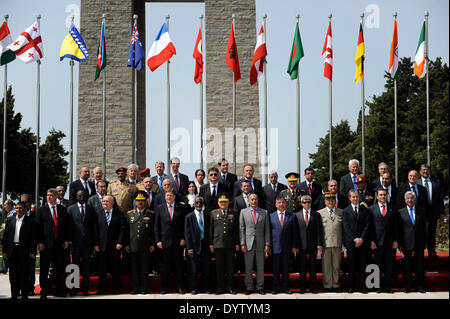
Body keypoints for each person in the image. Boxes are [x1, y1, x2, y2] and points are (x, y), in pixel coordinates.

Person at [35, 188, 71, 298]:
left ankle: (57, 291)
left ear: (56, 196)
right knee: (44, 269)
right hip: (45, 244)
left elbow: (65, 227)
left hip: (58, 244)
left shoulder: (62, 209)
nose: (49, 197)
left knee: (58, 268)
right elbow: (38, 227)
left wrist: (66, 240)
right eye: (47, 195)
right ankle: (44, 291)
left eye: (51, 195)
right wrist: (39, 242)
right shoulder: (41, 210)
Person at [1, 201, 36, 299]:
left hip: (24, 252)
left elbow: (33, 238)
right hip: (12, 251)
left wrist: (33, 251)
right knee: (13, 276)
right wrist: (4, 251)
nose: (18, 210)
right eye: (16, 208)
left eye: (20, 208)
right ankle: (14, 295)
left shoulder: (31, 221)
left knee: (24, 275)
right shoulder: (10, 220)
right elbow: (5, 237)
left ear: (25, 209)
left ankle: (24, 296)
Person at [154, 189, 186, 294]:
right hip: (164, 242)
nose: (169, 197)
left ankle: (181, 287)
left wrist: (183, 238)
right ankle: (165, 288)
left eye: (171, 195)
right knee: (165, 267)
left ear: (174, 197)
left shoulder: (181, 207)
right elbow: (156, 226)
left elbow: (184, 225)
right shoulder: (160, 208)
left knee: (179, 266)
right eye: (167, 195)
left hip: (178, 242)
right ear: (164, 197)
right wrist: (158, 240)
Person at [67, 190, 98, 296]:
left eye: (84, 195)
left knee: (86, 268)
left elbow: (93, 227)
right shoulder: (71, 209)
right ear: (76, 197)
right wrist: (70, 242)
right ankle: (74, 290)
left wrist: (94, 243)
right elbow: (69, 227)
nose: (82, 197)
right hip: (75, 244)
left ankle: (85, 290)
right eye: (79, 195)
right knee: (74, 268)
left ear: (86, 197)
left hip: (87, 244)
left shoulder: (90, 209)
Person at [239, 194, 271, 295]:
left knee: (260, 266)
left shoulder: (264, 212)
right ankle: (249, 287)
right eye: (252, 199)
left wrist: (267, 243)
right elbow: (242, 228)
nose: (254, 201)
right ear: (248, 201)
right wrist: (242, 243)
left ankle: (260, 287)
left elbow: (267, 229)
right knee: (248, 266)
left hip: (261, 243)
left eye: (256, 199)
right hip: (248, 243)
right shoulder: (243, 212)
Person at [368, 188, 398, 293]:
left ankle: (388, 286)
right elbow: (370, 227)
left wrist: (396, 240)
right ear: (377, 196)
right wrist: (371, 241)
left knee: (389, 266)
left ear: (387, 196)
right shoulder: (371, 209)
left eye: (384, 195)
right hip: (377, 242)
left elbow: (396, 226)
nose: (382, 197)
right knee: (377, 265)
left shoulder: (393, 209)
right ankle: (378, 287)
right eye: (380, 195)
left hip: (390, 243)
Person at [125, 192, 155, 295]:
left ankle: (144, 288)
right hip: (133, 246)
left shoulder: (150, 214)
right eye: (138, 201)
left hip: (145, 245)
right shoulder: (130, 214)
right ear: (135, 202)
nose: (140, 202)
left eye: (142, 201)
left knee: (144, 268)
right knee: (134, 269)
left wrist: (152, 244)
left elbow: (153, 231)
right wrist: (127, 244)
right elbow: (126, 230)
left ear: (145, 201)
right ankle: (135, 288)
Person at [209, 194, 239, 295]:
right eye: (221, 202)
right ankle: (220, 288)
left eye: (225, 202)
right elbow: (211, 230)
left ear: (228, 203)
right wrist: (211, 244)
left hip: (230, 245)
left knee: (230, 268)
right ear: (218, 203)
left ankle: (230, 287)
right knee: (220, 268)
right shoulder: (213, 214)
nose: (223, 204)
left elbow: (237, 230)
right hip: (218, 245)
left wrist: (237, 243)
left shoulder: (234, 213)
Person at [96, 195, 126, 295]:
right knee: (102, 270)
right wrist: (96, 244)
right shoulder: (98, 214)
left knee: (115, 269)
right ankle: (101, 289)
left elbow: (122, 229)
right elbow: (95, 230)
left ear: (112, 203)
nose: (104, 203)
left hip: (115, 246)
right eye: (103, 201)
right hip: (102, 246)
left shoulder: (119, 214)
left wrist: (120, 242)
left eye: (107, 201)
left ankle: (116, 289)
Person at [397, 191, 427, 293]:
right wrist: (400, 244)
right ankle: (408, 287)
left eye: (412, 198)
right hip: (406, 243)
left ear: (415, 199)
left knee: (419, 266)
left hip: (419, 243)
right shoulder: (400, 212)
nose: (410, 200)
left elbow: (424, 228)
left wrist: (425, 243)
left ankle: (419, 286)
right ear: (405, 200)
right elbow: (399, 230)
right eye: (408, 198)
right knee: (407, 266)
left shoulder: (421, 211)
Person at [293, 195, 323, 294]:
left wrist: (319, 243)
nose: (307, 204)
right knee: (302, 267)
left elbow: (319, 230)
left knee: (313, 267)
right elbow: (295, 232)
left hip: (313, 244)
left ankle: (312, 287)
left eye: (309, 202)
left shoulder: (316, 215)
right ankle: (302, 287)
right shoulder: (296, 215)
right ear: (301, 203)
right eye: (305, 202)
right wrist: (295, 245)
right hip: (301, 245)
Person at [343, 189, 370, 293]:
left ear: (359, 197)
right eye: (353, 197)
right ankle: (351, 287)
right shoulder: (346, 211)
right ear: (350, 198)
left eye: (356, 197)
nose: (355, 198)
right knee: (351, 266)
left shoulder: (365, 210)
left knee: (363, 266)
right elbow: (346, 227)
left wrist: (361, 238)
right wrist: (355, 239)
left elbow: (367, 225)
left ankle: (363, 287)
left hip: (363, 243)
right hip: (351, 243)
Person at [317, 192, 344, 292]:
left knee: (337, 265)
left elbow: (343, 228)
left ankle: (336, 285)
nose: (330, 202)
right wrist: (319, 243)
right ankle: (328, 285)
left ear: (335, 201)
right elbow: (319, 230)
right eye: (328, 200)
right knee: (326, 266)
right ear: (325, 201)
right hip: (326, 243)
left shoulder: (341, 212)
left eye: (332, 200)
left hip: (337, 242)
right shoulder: (320, 213)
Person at [184, 196, 211, 294]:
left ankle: (206, 288)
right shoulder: (189, 216)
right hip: (194, 247)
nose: (199, 204)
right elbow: (187, 234)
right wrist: (189, 248)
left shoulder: (207, 215)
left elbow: (210, 231)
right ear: (194, 204)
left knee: (206, 269)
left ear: (203, 204)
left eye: (200, 202)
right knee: (193, 269)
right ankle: (194, 288)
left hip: (205, 246)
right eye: (197, 202)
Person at [270, 197, 296, 294]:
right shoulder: (271, 216)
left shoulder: (292, 216)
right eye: (279, 203)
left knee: (286, 270)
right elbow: (268, 232)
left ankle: (286, 287)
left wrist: (294, 246)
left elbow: (294, 233)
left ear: (286, 204)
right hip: (275, 247)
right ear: (276, 205)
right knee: (276, 269)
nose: (281, 204)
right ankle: (276, 288)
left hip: (287, 247)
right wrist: (268, 246)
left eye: (283, 202)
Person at [417, 163, 444, 258]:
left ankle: (432, 251)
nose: (425, 171)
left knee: (432, 231)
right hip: (421, 212)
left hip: (433, 211)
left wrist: (441, 212)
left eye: (427, 169)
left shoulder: (436, 182)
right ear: (420, 171)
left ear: (429, 171)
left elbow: (440, 198)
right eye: (423, 169)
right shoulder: (417, 182)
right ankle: (420, 251)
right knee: (421, 231)